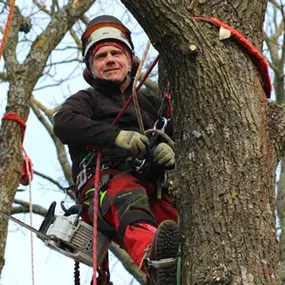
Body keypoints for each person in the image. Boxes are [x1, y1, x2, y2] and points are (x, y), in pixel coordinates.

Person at [53, 15, 180, 285]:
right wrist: (116, 136)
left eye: (115, 53)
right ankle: (153, 260)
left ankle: (176, 269)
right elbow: (64, 123)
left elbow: (182, 136)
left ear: (130, 61)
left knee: (176, 224)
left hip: (153, 186)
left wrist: (172, 153)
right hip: (107, 187)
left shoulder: (151, 104)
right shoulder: (88, 100)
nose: (109, 59)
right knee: (128, 199)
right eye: (101, 56)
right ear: (91, 69)